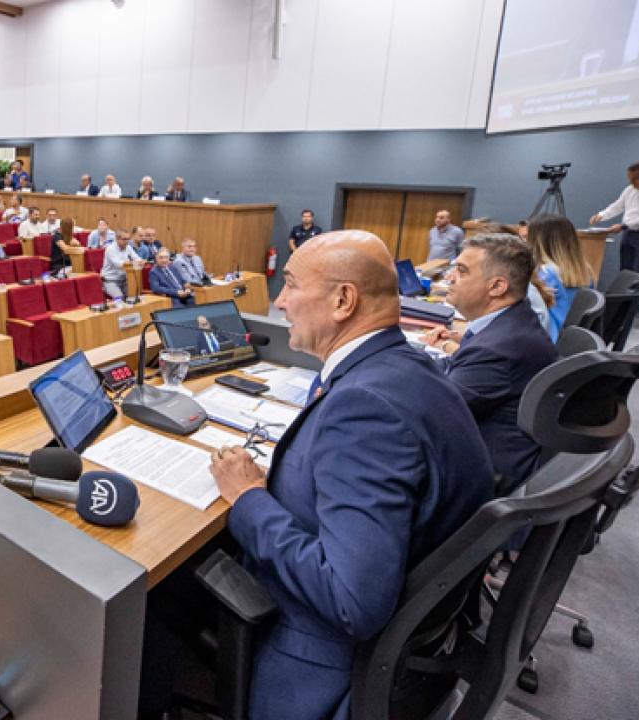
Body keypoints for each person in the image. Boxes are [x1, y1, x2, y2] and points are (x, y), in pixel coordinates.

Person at [206, 230, 492, 720]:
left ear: (343, 300)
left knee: (156, 599)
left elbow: (351, 602)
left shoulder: (364, 407)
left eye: (291, 285)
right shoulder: (409, 368)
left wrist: (248, 497)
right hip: (416, 646)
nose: (280, 301)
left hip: (323, 660)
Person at [422, 233, 558, 493]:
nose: (450, 277)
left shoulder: (497, 349)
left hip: (480, 473)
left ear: (496, 287)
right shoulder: (511, 322)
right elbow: (453, 372)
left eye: (462, 271)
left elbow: (431, 413)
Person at [528, 214, 597, 342]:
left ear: (535, 241)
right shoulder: (585, 270)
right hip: (570, 339)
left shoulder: (545, 274)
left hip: (550, 339)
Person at [101, 231, 143, 299]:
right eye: (124, 239)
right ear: (117, 239)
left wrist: (141, 261)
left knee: (133, 296)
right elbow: (119, 264)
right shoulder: (110, 249)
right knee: (119, 298)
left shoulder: (128, 247)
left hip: (124, 279)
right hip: (110, 281)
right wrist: (133, 262)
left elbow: (137, 258)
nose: (127, 241)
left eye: (128, 239)